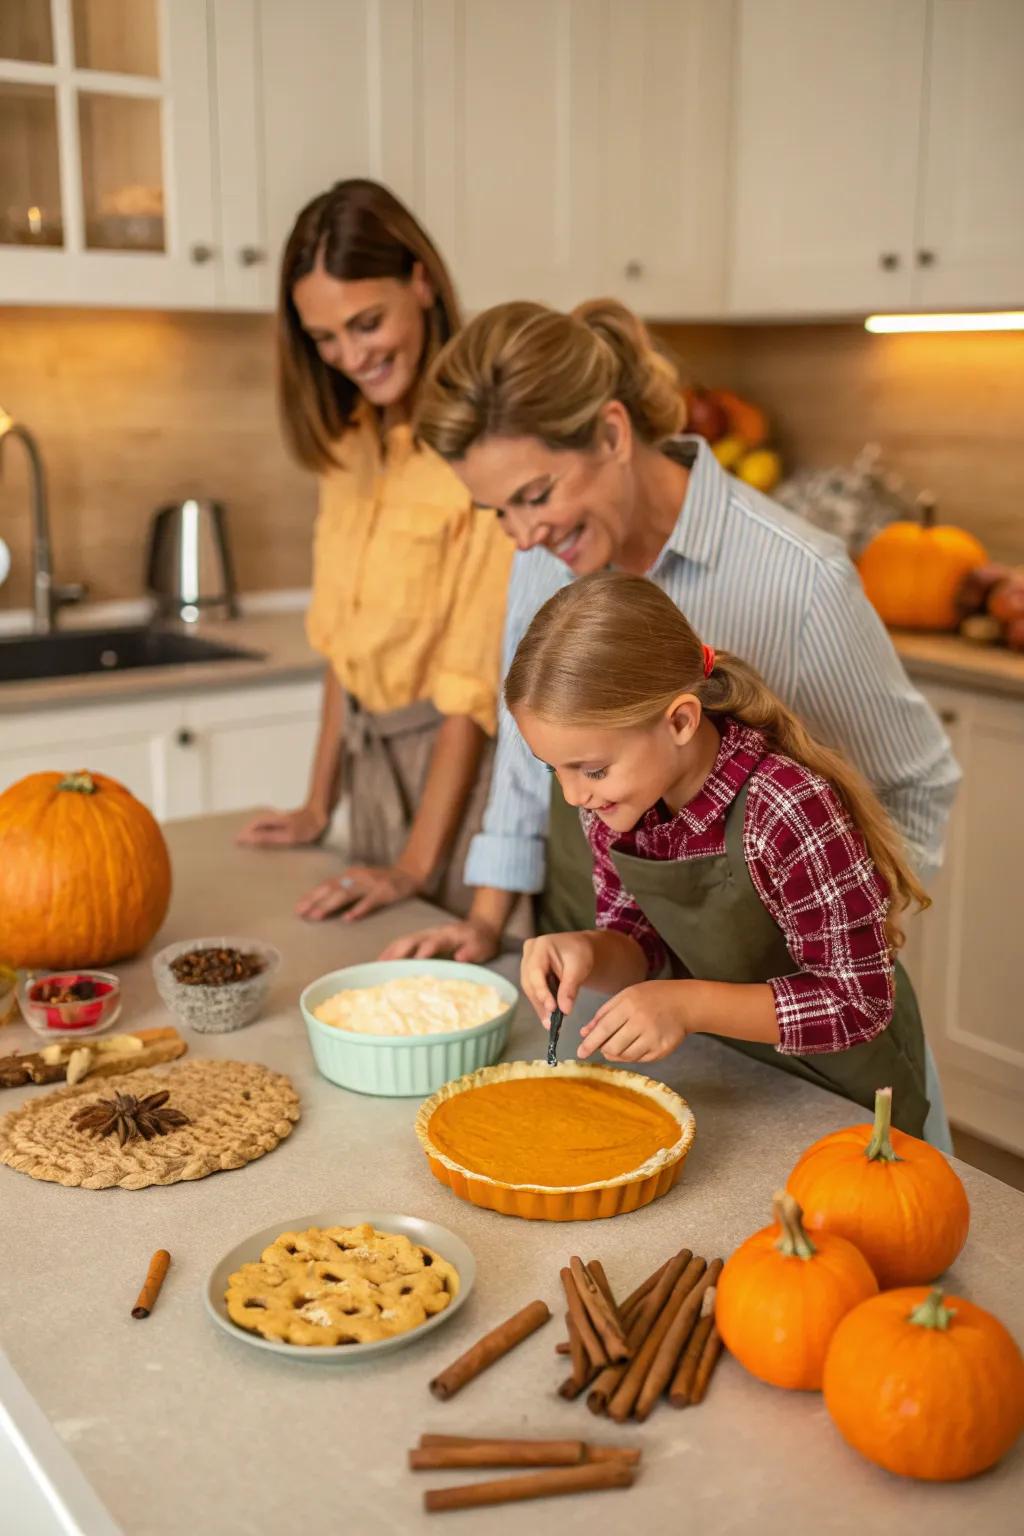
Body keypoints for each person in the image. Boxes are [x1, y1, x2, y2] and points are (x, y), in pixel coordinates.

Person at [383, 297, 959, 1146]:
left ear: (612, 435)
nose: (521, 535)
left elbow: (911, 787)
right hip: (647, 1007)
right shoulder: (547, 561)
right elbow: (524, 755)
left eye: (534, 495)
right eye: (497, 511)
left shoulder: (798, 581)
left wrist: (835, 918)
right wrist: (491, 921)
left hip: (804, 1028)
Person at [509, 571, 931, 1136]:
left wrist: (685, 1006)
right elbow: (642, 947)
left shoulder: (786, 807)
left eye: (593, 770)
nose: (573, 795)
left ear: (680, 721)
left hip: (851, 1093)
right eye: (552, 769)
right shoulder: (620, 804)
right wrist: (588, 949)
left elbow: (858, 1002)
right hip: (743, 1079)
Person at [237, 180, 512, 921]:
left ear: (421, 282)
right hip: (371, 770)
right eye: (325, 339)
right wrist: (316, 805)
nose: (351, 355)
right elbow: (346, 655)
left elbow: (470, 692)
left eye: (367, 323)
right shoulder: (352, 442)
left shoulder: (482, 447)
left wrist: (414, 866)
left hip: (460, 782)